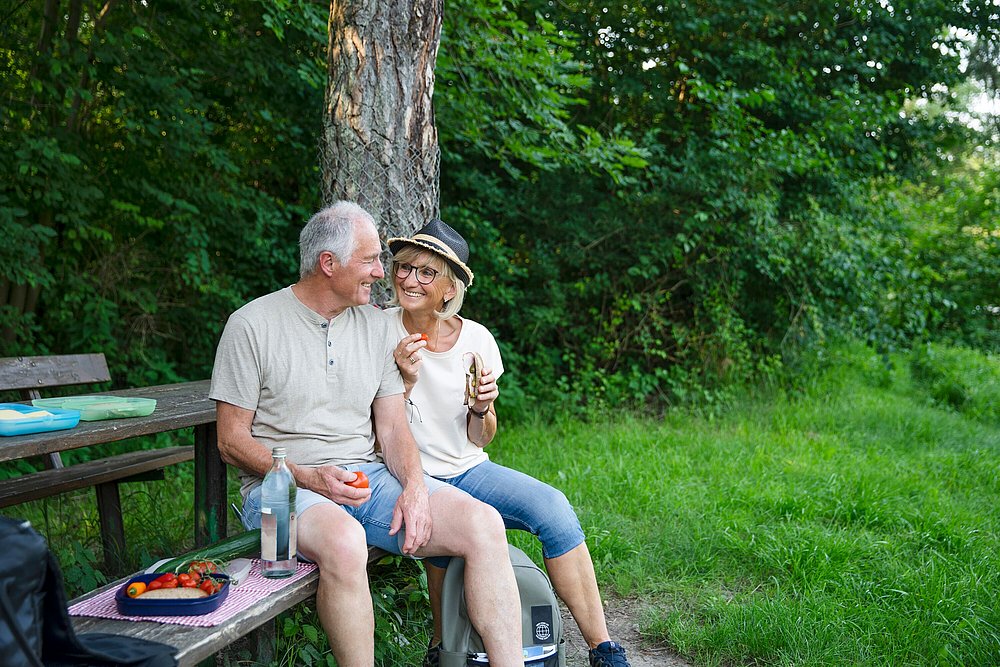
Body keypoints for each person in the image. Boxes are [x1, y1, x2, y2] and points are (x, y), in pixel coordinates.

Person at [209, 202, 524, 667]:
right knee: (344, 541)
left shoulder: (377, 327)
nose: (382, 273)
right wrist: (310, 478)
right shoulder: (252, 325)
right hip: (277, 491)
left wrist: (416, 489)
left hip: (365, 478)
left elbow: (393, 425)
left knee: (483, 524)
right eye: (372, 260)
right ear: (328, 264)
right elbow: (230, 441)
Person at [385, 219, 633, 667]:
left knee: (554, 510)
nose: (408, 279)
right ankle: (445, 651)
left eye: (426, 272)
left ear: (449, 287)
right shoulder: (376, 331)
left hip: (470, 469)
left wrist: (482, 409)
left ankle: (604, 649)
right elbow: (369, 423)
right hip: (408, 475)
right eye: (404, 267)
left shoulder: (476, 339)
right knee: (448, 544)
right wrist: (401, 383)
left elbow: (482, 435)